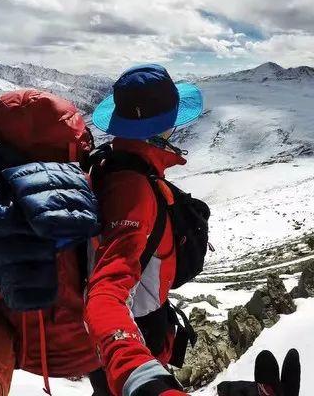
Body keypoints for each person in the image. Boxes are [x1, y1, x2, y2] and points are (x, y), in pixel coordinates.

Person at [85, 64, 203, 396]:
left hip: (113, 338)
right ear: (165, 124)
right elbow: (107, 291)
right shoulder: (133, 189)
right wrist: (140, 376)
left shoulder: (110, 162)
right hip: (135, 336)